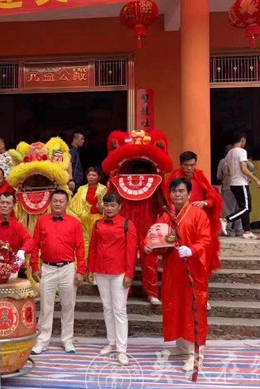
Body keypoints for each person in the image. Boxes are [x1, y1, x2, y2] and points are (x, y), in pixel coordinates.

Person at [144, 178, 213, 372]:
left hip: (193, 270)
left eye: (181, 191)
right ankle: (182, 345)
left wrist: (192, 250)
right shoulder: (167, 215)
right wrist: (150, 246)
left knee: (192, 308)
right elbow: (157, 237)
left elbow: (206, 240)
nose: (177, 194)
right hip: (173, 269)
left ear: (189, 194)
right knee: (175, 306)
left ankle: (196, 352)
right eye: (174, 191)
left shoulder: (199, 214)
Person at [30, 190, 86, 354]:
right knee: (46, 306)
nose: (58, 203)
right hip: (47, 268)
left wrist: (81, 270)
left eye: (61, 201)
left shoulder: (75, 223)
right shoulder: (42, 221)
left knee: (68, 305)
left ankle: (67, 340)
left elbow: (80, 248)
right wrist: (34, 266)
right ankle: (42, 340)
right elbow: (35, 245)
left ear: (67, 204)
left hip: (68, 268)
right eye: (55, 201)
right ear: (50, 203)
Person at [87, 193, 137, 365]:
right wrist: (91, 269)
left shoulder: (126, 224)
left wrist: (129, 274)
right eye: (107, 205)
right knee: (107, 307)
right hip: (101, 271)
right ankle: (112, 342)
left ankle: (122, 349)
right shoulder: (98, 224)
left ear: (119, 206)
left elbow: (131, 252)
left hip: (119, 272)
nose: (109, 208)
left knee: (120, 310)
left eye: (113, 205)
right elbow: (93, 247)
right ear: (103, 206)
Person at [168, 151, 222, 273]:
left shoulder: (200, 177)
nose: (189, 168)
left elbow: (213, 197)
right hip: (181, 220)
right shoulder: (175, 178)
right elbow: (168, 198)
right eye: (186, 165)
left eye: (192, 165)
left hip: (199, 220)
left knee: (201, 248)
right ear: (181, 164)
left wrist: (205, 203)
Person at [221, 132, 260, 240]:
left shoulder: (229, 152)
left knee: (243, 207)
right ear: (242, 140)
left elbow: (226, 171)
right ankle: (225, 220)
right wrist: (256, 180)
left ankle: (247, 231)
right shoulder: (242, 151)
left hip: (233, 184)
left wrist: (235, 174)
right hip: (241, 184)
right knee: (247, 208)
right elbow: (244, 169)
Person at [68, 166, 107, 257]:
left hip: (97, 219)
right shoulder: (81, 188)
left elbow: (107, 206)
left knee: (96, 242)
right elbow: (74, 204)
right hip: (83, 220)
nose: (91, 177)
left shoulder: (103, 189)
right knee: (83, 242)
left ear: (99, 177)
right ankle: (83, 266)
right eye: (89, 175)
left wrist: (101, 209)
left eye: (94, 175)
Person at [216, 145, 243, 236]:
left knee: (228, 209)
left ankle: (228, 230)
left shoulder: (223, 161)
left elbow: (218, 176)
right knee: (238, 210)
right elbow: (251, 169)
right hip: (240, 188)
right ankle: (239, 230)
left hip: (228, 188)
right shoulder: (241, 160)